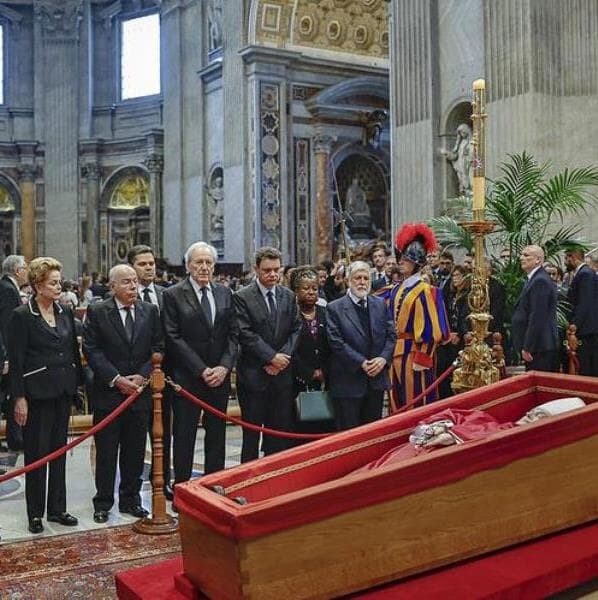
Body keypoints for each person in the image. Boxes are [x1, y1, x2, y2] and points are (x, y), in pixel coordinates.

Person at [7, 257, 83, 534]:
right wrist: (19, 398)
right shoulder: (22, 315)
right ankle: (35, 513)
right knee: (37, 454)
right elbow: (16, 361)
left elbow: (72, 352)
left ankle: (57, 508)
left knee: (59, 453)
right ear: (38, 285)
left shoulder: (65, 312)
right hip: (36, 394)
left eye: (59, 282)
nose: (59, 287)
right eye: (53, 283)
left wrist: (77, 387)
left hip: (62, 391)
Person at [83, 264, 163, 523]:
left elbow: (158, 346)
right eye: (126, 282)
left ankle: (131, 500)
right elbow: (91, 349)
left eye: (135, 281)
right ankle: (103, 502)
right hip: (109, 394)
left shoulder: (149, 311)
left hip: (139, 393)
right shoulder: (98, 311)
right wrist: (116, 379)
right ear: (113, 286)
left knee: (135, 450)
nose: (133, 286)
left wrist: (142, 376)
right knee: (107, 452)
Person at [162, 242, 238, 480]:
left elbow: (233, 334)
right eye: (199, 262)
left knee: (217, 436)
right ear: (188, 266)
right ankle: (183, 486)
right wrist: (201, 369)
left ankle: (214, 483)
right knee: (184, 436)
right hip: (188, 378)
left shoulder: (225, 293)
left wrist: (224, 367)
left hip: (219, 377)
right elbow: (173, 337)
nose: (204, 267)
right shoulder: (173, 294)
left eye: (208, 262)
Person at [234, 246, 302, 462]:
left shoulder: (288, 296)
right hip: (253, 376)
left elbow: (296, 329)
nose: (273, 274)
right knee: (251, 436)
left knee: (278, 434)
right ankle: (248, 477)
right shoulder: (242, 297)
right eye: (267, 270)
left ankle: (275, 475)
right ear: (256, 269)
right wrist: (271, 357)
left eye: (276, 270)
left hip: (282, 377)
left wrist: (282, 359)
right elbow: (245, 333)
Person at [387, 224, 451, 410]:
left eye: (406, 259)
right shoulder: (397, 289)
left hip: (414, 353)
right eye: (400, 257)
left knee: (416, 401)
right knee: (396, 403)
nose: (401, 262)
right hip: (395, 353)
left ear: (417, 263)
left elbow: (433, 329)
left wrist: (424, 356)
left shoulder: (426, 290)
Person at [326, 261, 395, 430]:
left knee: (372, 434)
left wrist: (383, 359)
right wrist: (361, 362)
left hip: (375, 381)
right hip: (348, 382)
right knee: (349, 434)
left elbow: (391, 335)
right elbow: (336, 342)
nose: (362, 282)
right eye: (357, 278)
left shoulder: (380, 304)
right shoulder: (334, 308)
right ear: (348, 281)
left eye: (366, 278)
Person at [127, 244, 173, 498]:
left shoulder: (167, 295)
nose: (148, 268)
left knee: (164, 435)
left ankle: (163, 481)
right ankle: (131, 491)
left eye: (151, 264)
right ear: (131, 267)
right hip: (132, 378)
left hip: (164, 377)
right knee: (134, 440)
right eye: (142, 264)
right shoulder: (124, 295)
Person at [289, 267, 332, 436]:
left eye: (314, 288)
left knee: (324, 430)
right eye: (306, 288)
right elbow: (289, 348)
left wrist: (324, 371)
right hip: (297, 381)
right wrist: (308, 373)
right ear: (296, 291)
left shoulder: (326, 313)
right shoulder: (290, 315)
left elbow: (333, 346)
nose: (311, 292)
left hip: (325, 381)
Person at [511, 245, 558, 372]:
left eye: (526, 255)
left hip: (540, 346)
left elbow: (537, 316)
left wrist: (528, 347)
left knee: (541, 382)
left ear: (538, 260)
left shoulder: (540, 280)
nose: (521, 258)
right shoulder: (533, 279)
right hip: (538, 346)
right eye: (521, 255)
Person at [0, 255, 29, 451]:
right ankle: (15, 438)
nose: (27, 271)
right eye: (25, 268)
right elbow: (6, 325)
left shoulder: (7, 287)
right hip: (6, 354)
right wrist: (6, 356)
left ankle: (15, 437)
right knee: (8, 395)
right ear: (17, 271)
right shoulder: (8, 289)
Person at [564, 249, 598, 376]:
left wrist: (575, 324)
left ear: (573, 257)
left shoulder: (585, 274)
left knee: (587, 368)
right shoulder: (583, 273)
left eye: (566, 258)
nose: (565, 262)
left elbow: (585, 302)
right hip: (587, 328)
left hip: (587, 330)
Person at [442, 123, 473, 195]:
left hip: (470, 164)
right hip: (461, 165)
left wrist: (469, 155)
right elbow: (456, 156)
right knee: (462, 179)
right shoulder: (462, 142)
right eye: (460, 133)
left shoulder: (472, 140)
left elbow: (474, 153)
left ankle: (471, 192)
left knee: (471, 179)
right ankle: (466, 193)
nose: (462, 134)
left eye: (463, 132)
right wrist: (447, 154)